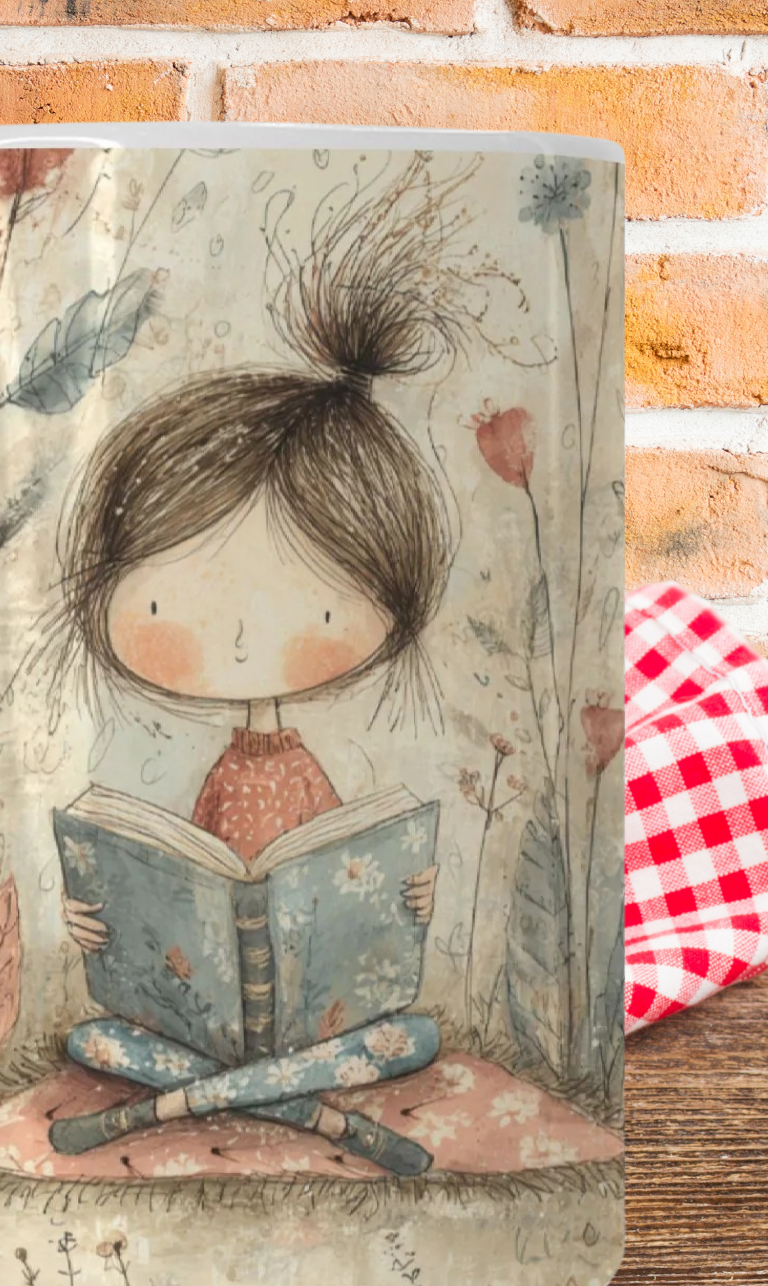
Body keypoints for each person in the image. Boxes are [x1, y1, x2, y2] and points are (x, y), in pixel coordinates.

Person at [44, 167, 466, 1174]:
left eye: (311, 609)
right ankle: (275, 1097)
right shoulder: (220, 772)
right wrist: (96, 922)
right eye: (172, 606)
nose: (239, 645)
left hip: (326, 1017)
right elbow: (188, 893)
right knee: (91, 1040)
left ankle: (202, 1100)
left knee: (409, 1032)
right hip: (197, 1018)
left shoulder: (300, 772)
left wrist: (403, 903)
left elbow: (333, 881)